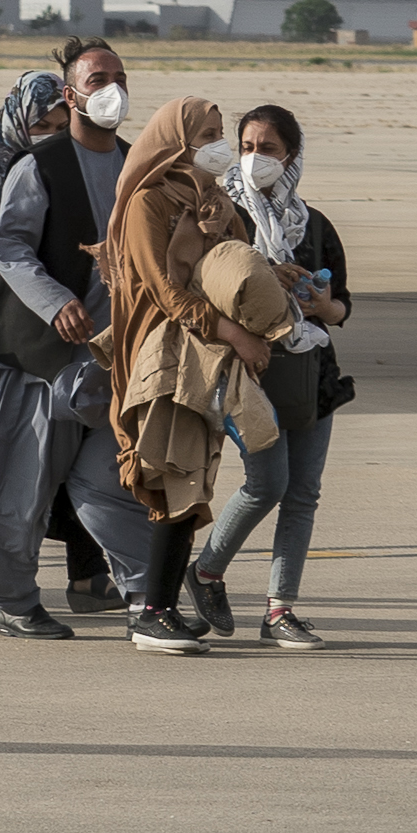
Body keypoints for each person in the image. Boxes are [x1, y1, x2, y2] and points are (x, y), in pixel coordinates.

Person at [0, 39, 156, 640]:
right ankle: (13, 601)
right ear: (70, 94)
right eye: (98, 79)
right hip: (48, 361)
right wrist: (55, 303)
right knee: (21, 486)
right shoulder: (40, 165)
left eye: (120, 77)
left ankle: (146, 598)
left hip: (116, 364)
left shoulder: (137, 167)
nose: (112, 89)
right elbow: (9, 245)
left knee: (113, 482)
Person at [0, 71, 113, 614]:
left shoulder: (73, 171)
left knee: (81, 451)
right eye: (42, 125)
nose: (52, 135)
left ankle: (88, 576)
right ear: (18, 120)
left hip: (67, 334)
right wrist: (28, 252)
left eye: (61, 125)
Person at [97, 96, 264, 656]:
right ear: (176, 141)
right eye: (208, 135)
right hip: (161, 355)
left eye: (220, 133)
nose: (219, 144)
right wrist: (235, 334)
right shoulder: (147, 202)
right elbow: (164, 290)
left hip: (204, 355)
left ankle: (161, 607)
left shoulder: (214, 202)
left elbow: (234, 266)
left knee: (192, 479)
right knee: (176, 474)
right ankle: (152, 613)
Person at [186, 104, 351, 648]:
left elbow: (342, 307)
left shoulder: (315, 225)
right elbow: (200, 291)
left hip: (310, 374)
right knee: (267, 484)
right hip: (246, 373)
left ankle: (280, 609)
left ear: (292, 155)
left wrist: (322, 306)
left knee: (303, 493)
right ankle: (205, 571)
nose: (255, 158)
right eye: (248, 147)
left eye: (269, 149)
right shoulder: (220, 216)